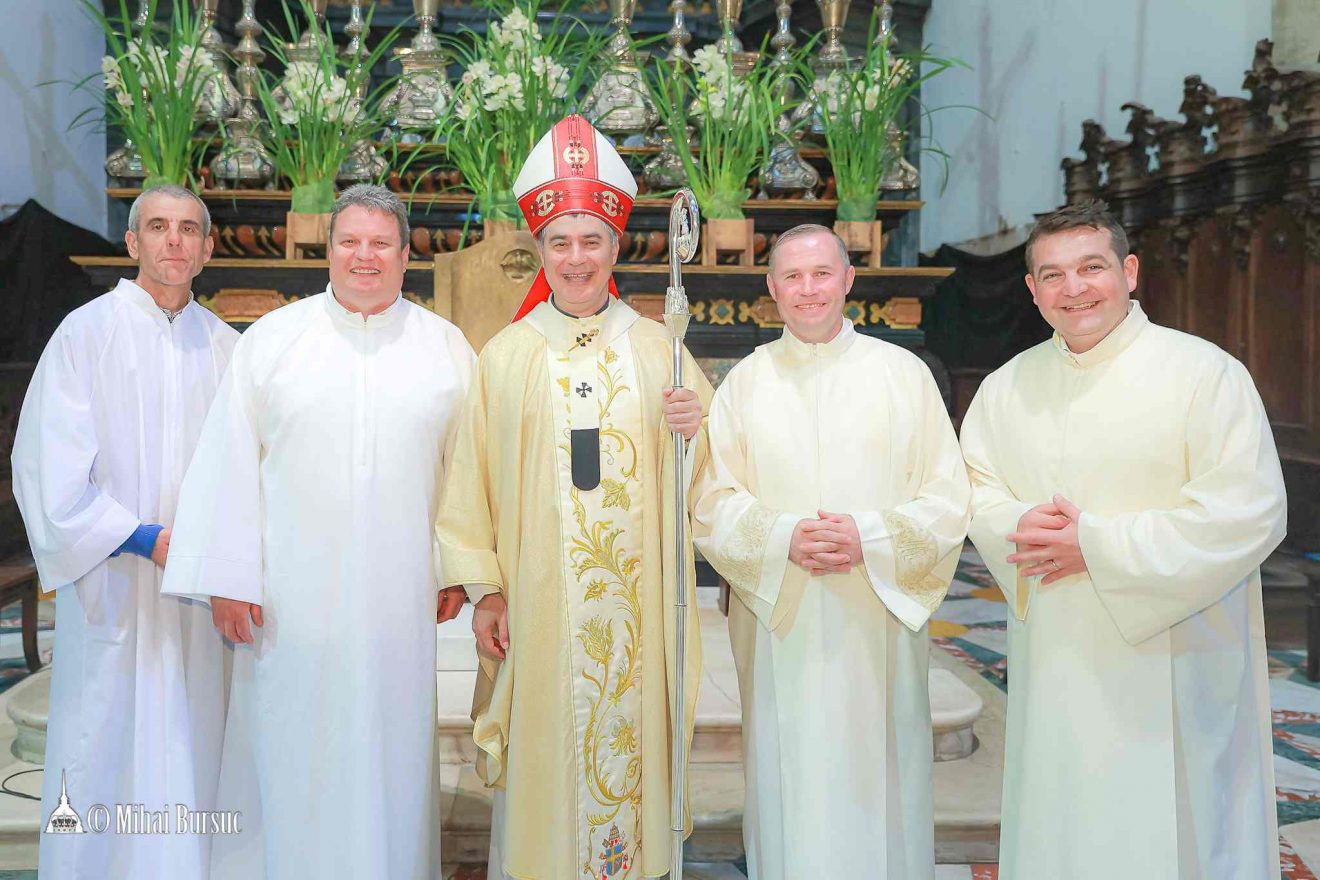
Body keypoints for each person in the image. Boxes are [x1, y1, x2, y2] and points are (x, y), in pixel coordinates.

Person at [960, 199, 1287, 879]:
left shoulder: (1205, 374)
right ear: (1031, 290)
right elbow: (973, 488)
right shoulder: (1006, 387)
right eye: (1051, 274)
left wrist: (1100, 546)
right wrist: (1012, 522)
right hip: (1057, 653)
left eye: (1091, 267)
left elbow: (1250, 510)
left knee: (1182, 833)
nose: (1073, 288)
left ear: (1130, 271)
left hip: (1180, 659)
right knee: (1066, 817)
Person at [161, 184, 476, 880]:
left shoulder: (445, 349)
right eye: (350, 242)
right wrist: (225, 577)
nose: (364, 257)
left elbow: (466, 472)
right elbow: (228, 463)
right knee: (289, 749)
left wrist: (455, 565)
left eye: (380, 243)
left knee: (389, 754)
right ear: (328, 250)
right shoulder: (274, 340)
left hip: (398, 606)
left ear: (405, 255)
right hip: (289, 606)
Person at [435, 114, 711, 880]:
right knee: (545, 775)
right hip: (538, 604)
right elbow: (470, 485)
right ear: (541, 253)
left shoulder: (662, 350)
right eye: (561, 242)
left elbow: (715, 482)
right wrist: (486, 591)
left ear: (616, 249)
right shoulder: (506, 356)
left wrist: (697, 425)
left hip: (639, 618)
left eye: (592, 241)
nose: (576, 257)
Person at [692, 223, 970, 879]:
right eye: (792, 276)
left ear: (848, 280)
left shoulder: (903, 375)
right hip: (780, 614)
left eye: (822, 274)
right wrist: (785, 535)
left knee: (878, 772)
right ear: (771, 290)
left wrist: (867, 535)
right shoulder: (744, 383)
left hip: (874, 608)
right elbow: (709, 499)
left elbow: (948, 497)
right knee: (791, 775)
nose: (808, 289)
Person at [13, 184, 236, 879]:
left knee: (192, 739)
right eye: (158, 227)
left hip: (199, 592)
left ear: (207, 249)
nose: (175, 241)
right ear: (132, 242)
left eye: (189, 229)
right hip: (111, 582)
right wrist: (142, 538)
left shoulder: (229, 349)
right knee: (102, 737)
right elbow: (45, 467)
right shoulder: (86, 333)